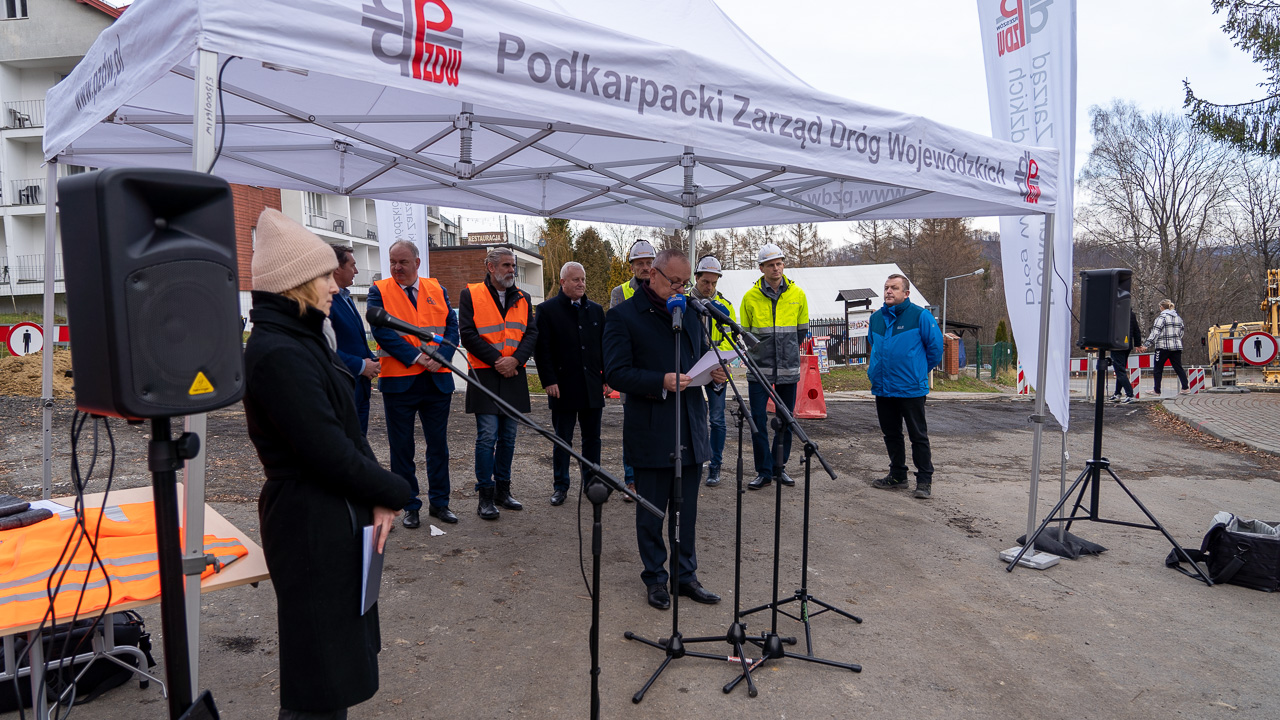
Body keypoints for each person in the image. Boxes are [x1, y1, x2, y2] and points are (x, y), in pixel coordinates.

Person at [242, 209, 412, 720]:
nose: (335, 285)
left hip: (334, 515)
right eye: (324, 276)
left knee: (336, 668)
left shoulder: (305, 338)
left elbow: (350, 435)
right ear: (295, 283)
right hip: (308, 524)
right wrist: (395, 489)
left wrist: (378, 494)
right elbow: (325, 450)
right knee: (317, 675)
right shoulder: (276, 352)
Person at [603, 248, 725, 610]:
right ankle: (655, 578)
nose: (680, 289)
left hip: (690, 426)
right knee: (652, 512)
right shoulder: (623, 316)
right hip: (651, 429)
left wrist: (715, 375)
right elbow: (616, 373)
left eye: (684, 283)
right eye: (674, 282)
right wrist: (661, 380)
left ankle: (685, 576)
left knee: (686, 511)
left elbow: (699, 358)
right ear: (652, 275)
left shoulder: (692, 313)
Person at [368, 240, 460, 528]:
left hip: (437, 381)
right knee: (402, 448)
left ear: (417, 263)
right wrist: (418, 357)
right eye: (393, 262)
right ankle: (409, 505)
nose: (397, 268)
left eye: (403, 262)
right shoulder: (378, 290)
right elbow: (382, 332)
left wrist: (441, 358)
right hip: (399, 383)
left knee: (438, 447)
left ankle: (440, 504)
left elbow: (452, 328)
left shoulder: (437, 288)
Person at [459, 247, 538, 520]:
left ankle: (503, 491)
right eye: (506, 265)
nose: (511, 270)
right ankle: (485, 495)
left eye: (513, 265)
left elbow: (531, 333)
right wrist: (498, 360)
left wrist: (515, 360)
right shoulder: (471, 294)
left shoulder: (523, 298)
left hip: (513, 374)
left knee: (509, 437)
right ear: (490, 267)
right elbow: (467, 334)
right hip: (485, 374)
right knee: (487, 436)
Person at [534, 262, 608, 506]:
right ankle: (560, 486)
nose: (581, 284)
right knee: (562, 439)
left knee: (593, 439)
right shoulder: (547, 310)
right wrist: (549, 380)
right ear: (563, 282)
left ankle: (592, 482)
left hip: (591, 386)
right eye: (576, 280)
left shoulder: (595, 310)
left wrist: (606, 378)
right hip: (562, 387)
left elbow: (604, 348)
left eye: (583, 279)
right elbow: (542, 350)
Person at [868, 273, 944, 499]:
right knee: (891, 434)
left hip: (911, 388)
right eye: (886, 287)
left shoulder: (920, 316)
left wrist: (917, 371)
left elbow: (935, 349)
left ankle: (924, 481)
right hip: (883, 388)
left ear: (906, 293)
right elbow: (874, 344)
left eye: (894, 288)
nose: (888, 291)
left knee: (918, 435)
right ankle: (898, 475)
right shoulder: (876, 318)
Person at [739, 243, 809, 490]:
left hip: (788, 368)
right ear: (761, 268)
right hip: (759, 369)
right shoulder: (750, 297)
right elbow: (745, 333)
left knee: (786, 419)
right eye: (770, 265)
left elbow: (801, 331)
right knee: (757, 420)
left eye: (779, 263)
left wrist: (786, 351)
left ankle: (780, 467)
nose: (776, 268)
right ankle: (764, 471)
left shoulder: (798, 294)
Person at [609, 239, 658, 502]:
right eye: (640, 263)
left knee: (657, 428)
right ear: (631, 267)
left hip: (656, 371)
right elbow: (616, 333)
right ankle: (632, 481)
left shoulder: (663, 290)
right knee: (633, 430)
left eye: (649, 262)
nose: (645, 267)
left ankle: (652, 480)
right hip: (631, 373)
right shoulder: (620, 293)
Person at [689, 255, 736, 487]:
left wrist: (721, 363)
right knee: (692, 417)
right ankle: (693, 462)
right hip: (691, 368)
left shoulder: (725, 306)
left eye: (714, 283)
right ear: (696, 277)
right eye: (705, 282)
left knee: (717, 419)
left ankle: (715, 465)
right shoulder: (685, 303)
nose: (709, 287)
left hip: (716, 369)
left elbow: (731, 339)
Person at [329, 245, 379, 433]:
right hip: (342, 388)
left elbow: (354, 341)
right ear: (337, 268)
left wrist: (371, 361)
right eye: (352, 265)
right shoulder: (324, 301)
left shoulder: (346, 298)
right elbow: (323, 347)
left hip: (359, 388)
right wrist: (361, 365)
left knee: (358, 441)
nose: (356, 271)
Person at [1138, 299, 1189, 395]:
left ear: (1161, 307)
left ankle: (1157, 390)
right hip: (1176, 347)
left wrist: (1146, 345)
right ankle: (1185, 388)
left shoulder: (1161, 318)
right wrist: (1176, 340)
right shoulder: (1178, 318)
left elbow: (1155, 333)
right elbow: (1181, 332)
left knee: (1158, 368)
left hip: (1162, 347)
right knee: (1178, 367)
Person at [1108, 309, 1142, 404]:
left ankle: (1130, 395)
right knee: (1121, 369)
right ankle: (1117, 394)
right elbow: (1136, 330)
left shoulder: (1113, 312)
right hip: (1127, 345)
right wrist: (1137, 344)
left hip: (1116, 345)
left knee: (1120, 371)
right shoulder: (1130, 314)